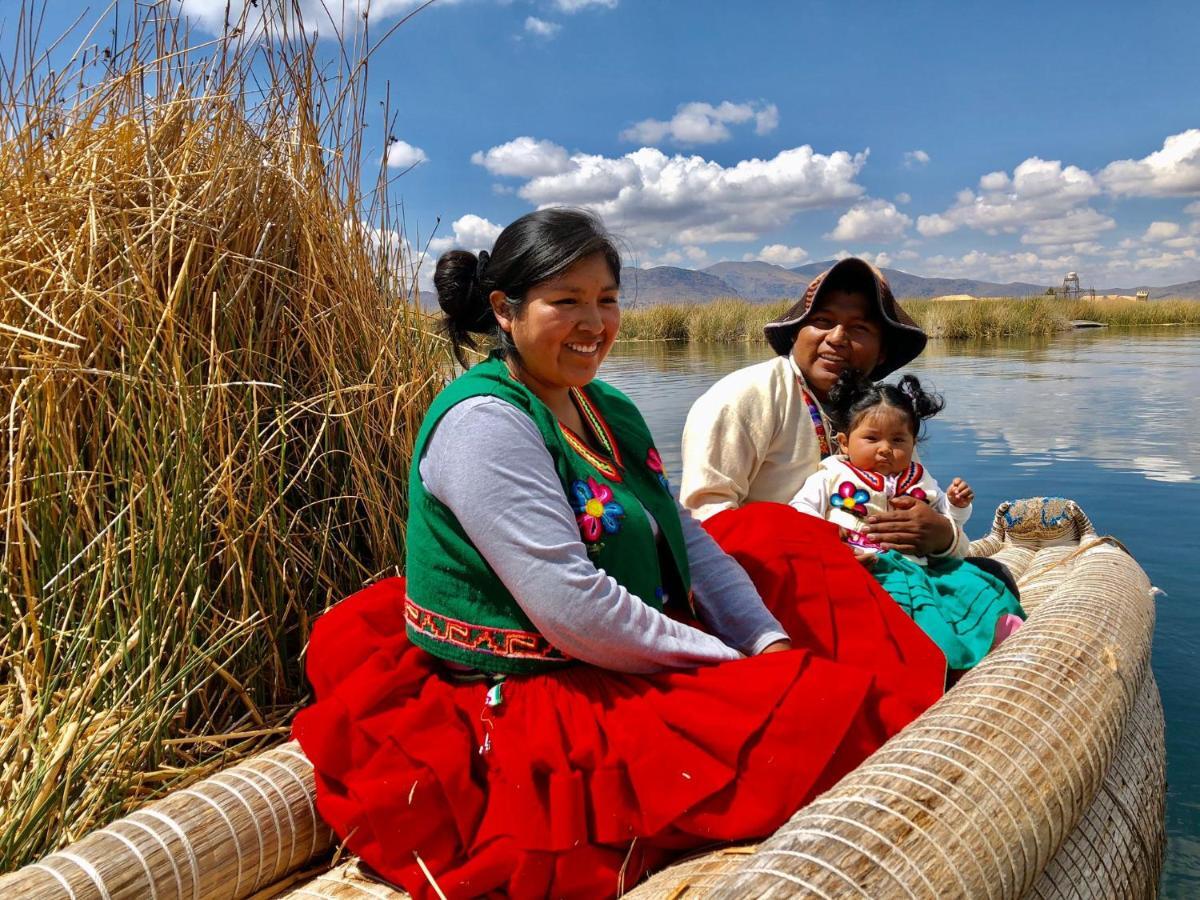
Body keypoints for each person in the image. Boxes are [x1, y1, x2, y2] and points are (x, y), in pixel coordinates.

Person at [293, 210, 945, 900]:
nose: (593, 322)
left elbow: (684, 532)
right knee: (814, 721)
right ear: (504, 312)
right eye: (565, 301)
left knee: (796, 574)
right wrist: (732, 669)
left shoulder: (603, 406)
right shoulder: (485, 424)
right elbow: (572, 608)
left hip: (616, 639)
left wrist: (768, 645)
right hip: (540, 681)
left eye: (606, 300)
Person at [678, 257, 1021, 595]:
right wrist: (815, 552)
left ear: (882, 352)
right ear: (798, 333)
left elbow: (927, 515)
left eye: (859, 328)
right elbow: (705, 523)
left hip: (886, 573)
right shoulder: (742, 398)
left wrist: (942, 535)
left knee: (994, 579)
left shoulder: (878, 416)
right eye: (823, 320)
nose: (837, 337)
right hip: (774, 585)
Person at [790, 371, 1025, 669]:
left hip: (923, 567)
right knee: (907, 612)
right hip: (865, 569)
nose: (885, 448)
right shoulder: (831, 476)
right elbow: (799, 513)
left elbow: (950, 523)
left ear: (913, 444)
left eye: (898, 439)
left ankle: (993, 635)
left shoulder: (919, 478)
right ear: (845, 443)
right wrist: (830, 541)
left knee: (975, 584)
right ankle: (937, 661)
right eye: (871, 438)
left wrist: (956, 505)